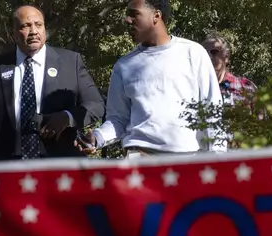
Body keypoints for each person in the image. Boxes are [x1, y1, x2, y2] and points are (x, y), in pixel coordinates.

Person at [77, 0, 225, 158]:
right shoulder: (124, 66)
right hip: (139, 160)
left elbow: (212, 110)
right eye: (127, 15)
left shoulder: (193, 53)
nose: (127, 20)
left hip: (188, 161)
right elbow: (118, 119)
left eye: (134, 14)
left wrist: (218, 158)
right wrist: (97, 138)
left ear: (156, 16)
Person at [0, 5, 105, 163]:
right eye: (25, 26)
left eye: (38, 25)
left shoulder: (70, 62)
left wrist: (68, 117)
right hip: (7, 169)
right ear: (13, 33)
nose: (33, 32)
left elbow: (96, 105)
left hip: (59, 168)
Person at [201, 34, 259, 109]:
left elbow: (261, 119)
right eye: (204, 53)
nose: (208, 56)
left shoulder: (246, 87)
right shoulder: (193, 88)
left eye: (213, 52)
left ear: (226, 57)